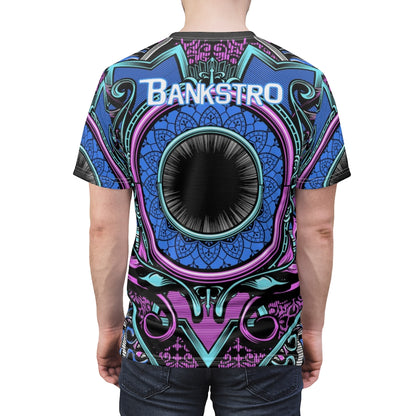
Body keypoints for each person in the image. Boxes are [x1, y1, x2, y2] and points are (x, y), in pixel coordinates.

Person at [72, 0, 351, 414]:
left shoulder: (123, 81)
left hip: (157, 331)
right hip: (266, 334)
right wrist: (311, 329)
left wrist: (111, 325)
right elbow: (319, 229)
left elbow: (104, 228)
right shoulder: (303, 82)